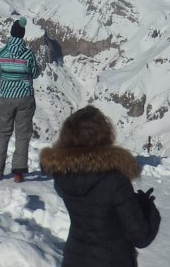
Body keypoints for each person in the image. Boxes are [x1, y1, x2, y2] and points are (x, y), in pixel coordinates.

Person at [39, 106, 161, 267]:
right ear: (104, 135)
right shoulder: (115, 180)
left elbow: (92, 205)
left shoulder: (62, 175)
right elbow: (141, 237)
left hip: (75, 259)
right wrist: (147, 207)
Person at [0, 16, 40, 182]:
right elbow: (35, 72)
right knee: (22, 135)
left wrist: (8, 75)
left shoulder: (1, 53)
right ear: (23, 35)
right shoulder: (28, 54)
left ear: (11, 35)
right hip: (25, 97)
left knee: (2, 134)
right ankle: (18, 173)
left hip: (6, 98)